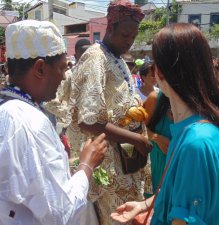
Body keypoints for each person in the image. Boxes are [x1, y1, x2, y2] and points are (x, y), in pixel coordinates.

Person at [0, 20, 107, 225]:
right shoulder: (30, 122)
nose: (64, 77)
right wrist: (87, 164)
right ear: (40, 69)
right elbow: (60, 213)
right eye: (62, 68)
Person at [111, 23, 219, 225]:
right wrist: (145, 205)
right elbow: (179, 190)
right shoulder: (195, 129)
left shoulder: (196, 142)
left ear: (159, 73)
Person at [68, 1, 152, 224]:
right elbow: (88, 120)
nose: (129, 42)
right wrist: (136, 139)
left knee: (129, 215)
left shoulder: (116, 57)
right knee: (116, 218)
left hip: (124, 158)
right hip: (110, 163)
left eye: (133, 37)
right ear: (110, 27)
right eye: (125, 35)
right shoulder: (96, 57)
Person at [144, 92, 172, 194]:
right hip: (153, 169)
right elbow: (137, 127)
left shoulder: (193, 104)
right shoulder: (155, 98)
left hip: (176, 171)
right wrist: (157, 138)